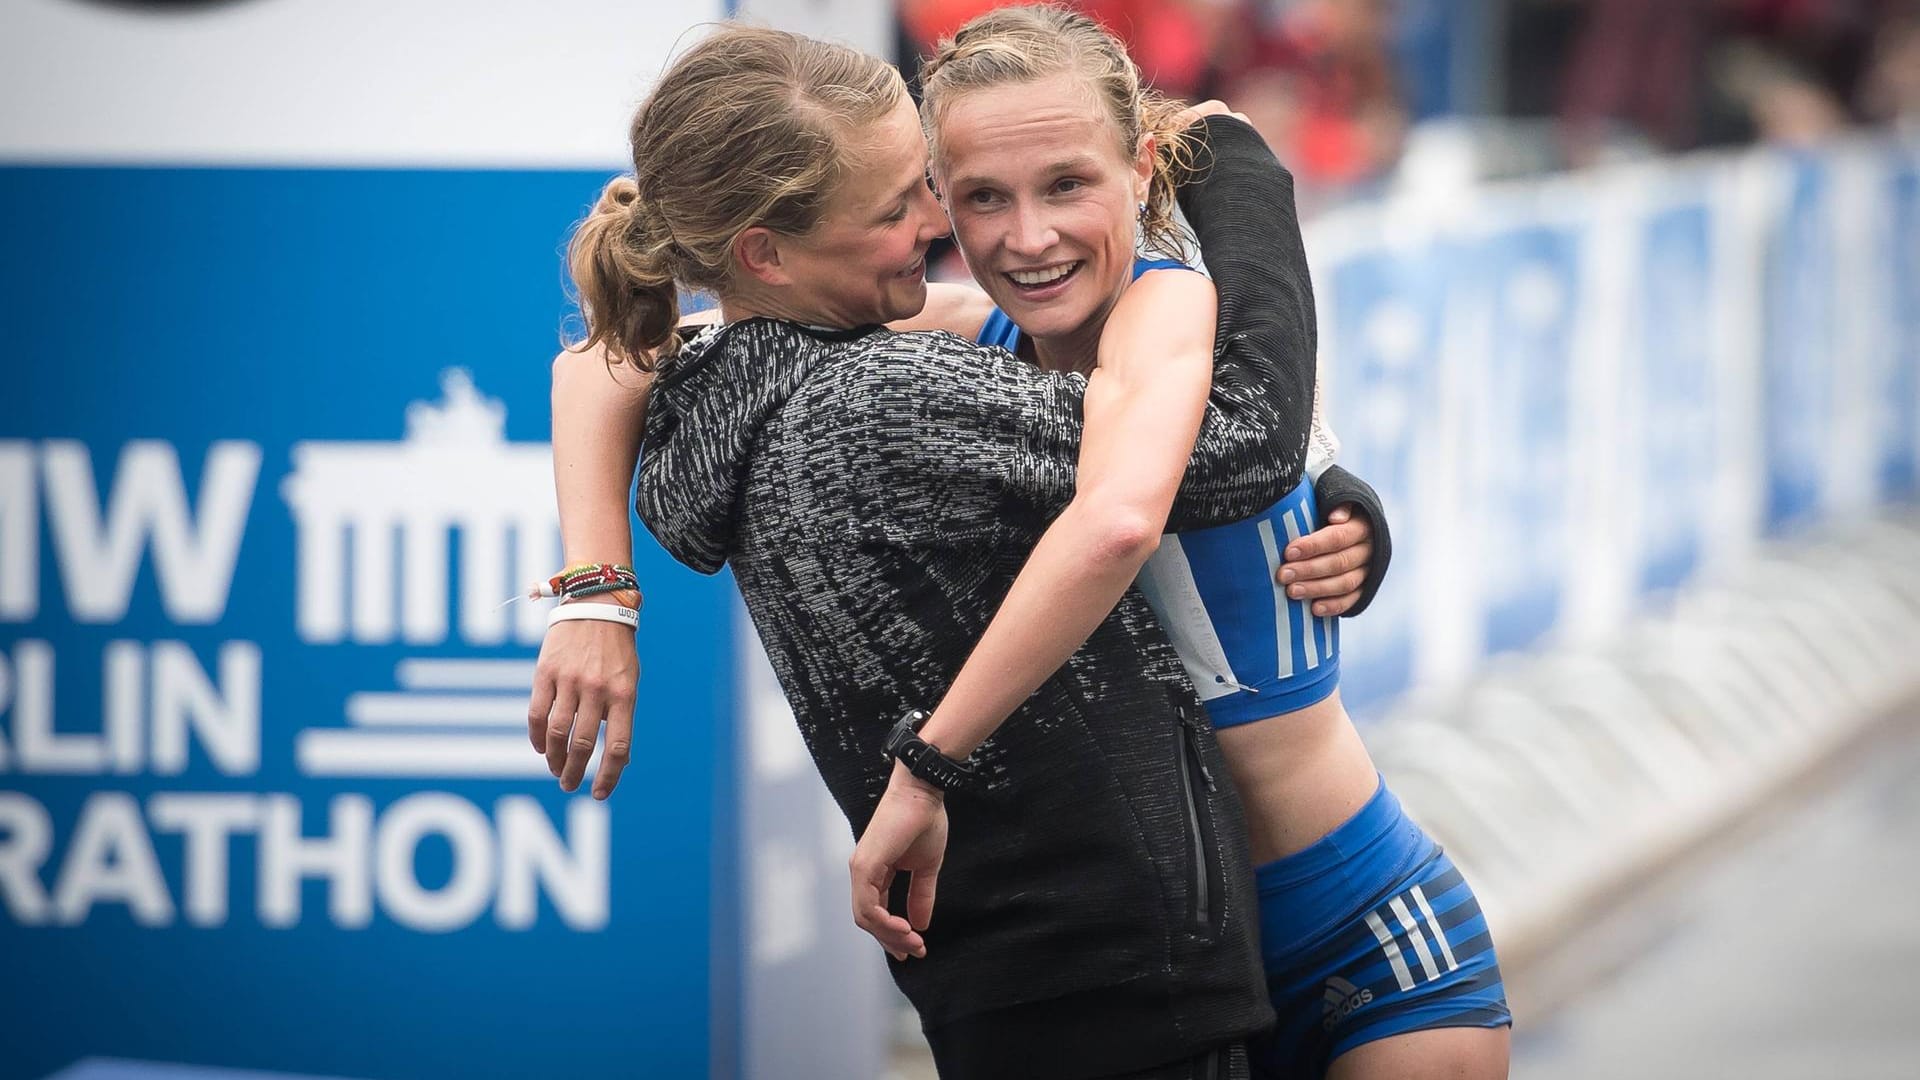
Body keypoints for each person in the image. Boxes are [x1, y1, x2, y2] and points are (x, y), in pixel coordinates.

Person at [553, 24, 1324, 1079]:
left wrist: (595, 596)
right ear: (764, 255)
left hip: (1010, 975)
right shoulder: (887, 399)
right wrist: (1238, 175)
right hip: (1119, 970)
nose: (937, 223)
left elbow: (606, 361)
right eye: (896, 207)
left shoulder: (733, 386)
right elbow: (1237, 445)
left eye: (926, 184)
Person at [846, 8, 1511, 1079]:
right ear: (939, 201)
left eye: (1067, 184)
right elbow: (654, 353)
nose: (1028, 237)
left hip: (1364, 943)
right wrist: (595, 596)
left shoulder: (1182, 308)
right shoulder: (984, 339)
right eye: (984, 197)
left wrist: (926, 768)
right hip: (1162, 978)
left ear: (1142, 165)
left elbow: (1135, 511)